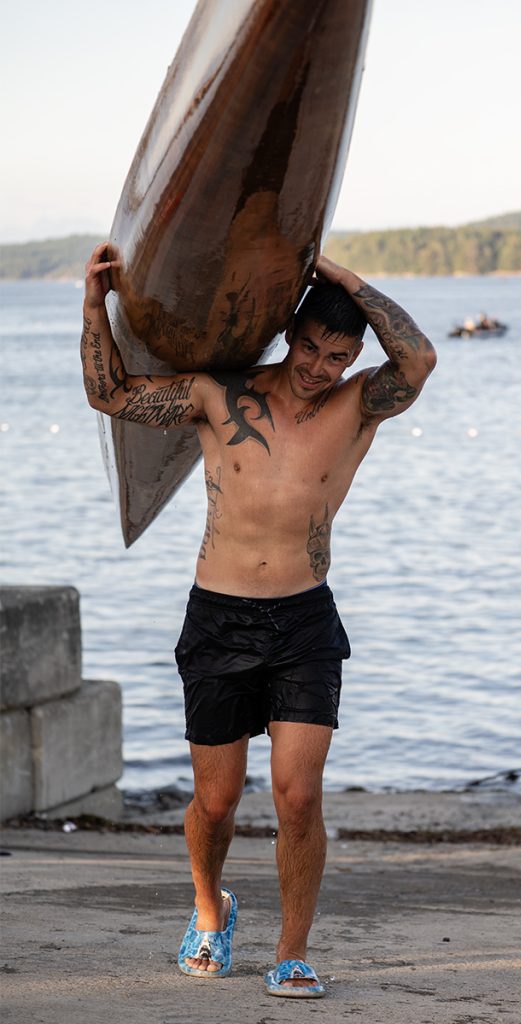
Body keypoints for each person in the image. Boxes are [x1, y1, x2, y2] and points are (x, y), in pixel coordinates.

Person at [81, 242, 436, 997]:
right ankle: (210, 913)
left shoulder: (356, 404)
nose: (318, 367)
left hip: (305, 622)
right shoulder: (221, 396)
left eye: (336, 356)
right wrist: (94, 306)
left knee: (298, 796)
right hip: (218, 619)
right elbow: (110, 395)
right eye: (310, 347)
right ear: (291, 333)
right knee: (216, 801)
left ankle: (292, 949)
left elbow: (420, 358)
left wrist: (342, 278)